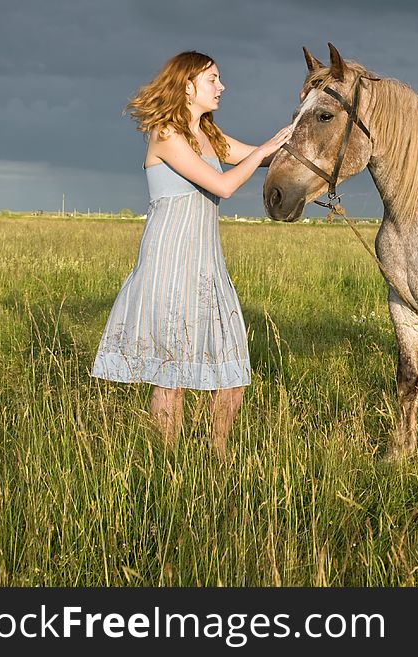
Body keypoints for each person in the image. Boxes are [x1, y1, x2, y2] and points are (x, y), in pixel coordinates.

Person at [91, 51, 293, 458]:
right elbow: (222, 186)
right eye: (213, 79)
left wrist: (301, 136)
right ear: (187, 85)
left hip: (206, 263)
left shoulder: (211, 136)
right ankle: (168, 466)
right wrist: (261, 151)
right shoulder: (166, 134)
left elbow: (265, 154)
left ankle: (218, 456)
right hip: (169, 261)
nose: (222, 87)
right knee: (172, 375)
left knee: (232, 372)